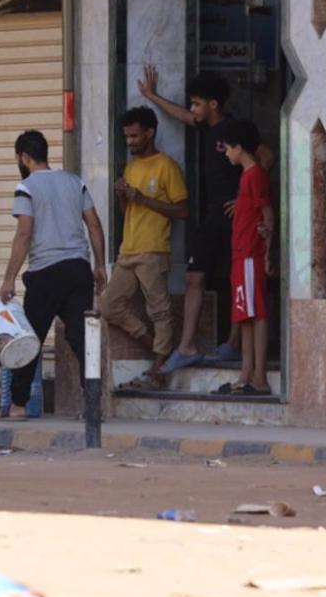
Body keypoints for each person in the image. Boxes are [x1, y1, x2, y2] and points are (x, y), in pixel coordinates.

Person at [138, 66, 251, 372]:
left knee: (236, 280)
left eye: (197, 103)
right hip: (211, 216)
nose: (192, 109)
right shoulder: (206, 127)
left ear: (213, 104)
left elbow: (265, 158)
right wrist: (151, 96)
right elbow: (183, 116)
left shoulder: (237, 129)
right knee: (193, 277)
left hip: (236, 217)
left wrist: (243, 198)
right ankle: (187, 345)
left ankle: (234, 343)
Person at [0, 130, 107, 421]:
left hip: (45, 272)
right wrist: (100, 264)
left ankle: (18, 406)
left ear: (24, 157)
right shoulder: (74, 182)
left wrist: (9, 278)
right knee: (81, 336)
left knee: (29, 338)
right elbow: (94, 226)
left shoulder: (27, 187)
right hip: (77, 269)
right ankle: (92, 404)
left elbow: (24, 233)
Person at [100, 107, 189, 390]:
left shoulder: (167, 166)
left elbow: (183, 210)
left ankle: (159, 370)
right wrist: (123, 196)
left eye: (135, 136)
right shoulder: (132, 167)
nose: (130, 142)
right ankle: (158, 351)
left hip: (153, 249)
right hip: (128, 249)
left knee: (160, 311)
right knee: (108, 306)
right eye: (127, 137)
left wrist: (142, 198)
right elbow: (129, 210)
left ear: (150, 133)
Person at [217, 120, 273, 396]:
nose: (226, 152)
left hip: (251, 254)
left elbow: (267, 213)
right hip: (242, 254)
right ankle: (247, 373)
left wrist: (268, 251)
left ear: (239, 148)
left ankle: (259, 377)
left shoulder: (254, 176)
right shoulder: (247, 176)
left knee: (256, 314)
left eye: (227, 147)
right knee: (245, 315)